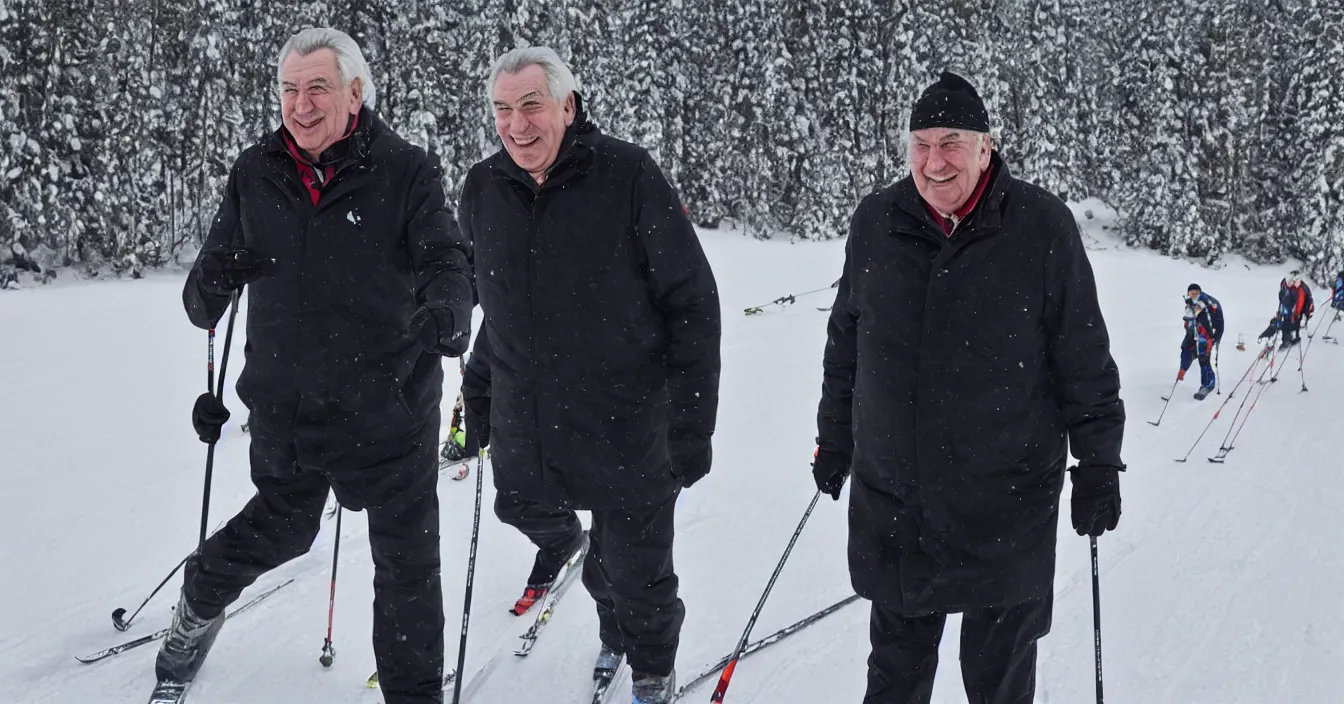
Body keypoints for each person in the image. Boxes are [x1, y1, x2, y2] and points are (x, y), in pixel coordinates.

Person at [164, 27, 472, 704]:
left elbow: (447, 259)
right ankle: (197, 601)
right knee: (278, 529)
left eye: (318, 89)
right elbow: (200, 302)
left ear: (356, 93)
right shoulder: (255, 173)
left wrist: (449, 310)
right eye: (290, 90)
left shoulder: (407, 172)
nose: (301, 105)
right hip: (287, 411)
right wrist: (214, 276)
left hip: (389, 413)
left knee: (408, 572)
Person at [811, 71, 1125, 704]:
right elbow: (846, 344)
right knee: (894, 676)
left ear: (986, 147)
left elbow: (1082, 357)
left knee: (999, 681)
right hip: (899, 503)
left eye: (951, 142)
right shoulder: (877, 221)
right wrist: (833, 437)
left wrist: (1098, 465)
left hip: (1004, 508)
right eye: (921, 143)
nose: (934, 161)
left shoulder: (1041, 228)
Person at [456, 46, 721, 704]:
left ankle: (652, 666)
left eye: (532, 106)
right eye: (503, 110)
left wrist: (692, 426)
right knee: (525, 511)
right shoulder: (483, 190)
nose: (517, 125)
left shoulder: (627, 176)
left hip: (630, 426)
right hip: (533, 424)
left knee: (635, 575)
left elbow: (691, 303)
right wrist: (478, 394)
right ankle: (610, 613)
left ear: (568, 107)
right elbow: (500, 306)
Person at [1258, 271, 1314, 349]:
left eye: (1293, 281)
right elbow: (1282, 300)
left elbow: (1309, 305)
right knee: (1276, 323)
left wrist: (1305, 317)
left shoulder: (1303, 289)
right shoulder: (1284, 285)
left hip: (1296, 316)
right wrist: (1279, 311)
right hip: (1285, 312)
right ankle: (1265, 338)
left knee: (1289, 331)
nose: (1290, 283)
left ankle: (1285, 342)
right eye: (1289, 280)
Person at [1179, 299, 1217, 399]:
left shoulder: (1203, 320)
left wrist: (1207, 347)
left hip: (1204, 342)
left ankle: (1207, 385)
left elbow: (1206, 335)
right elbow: (1188, 344)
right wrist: (1183, 368)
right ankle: (1182, 374)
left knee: (1204, 361)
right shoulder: (1189, 323)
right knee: (1186, 352)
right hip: (1194, 341)